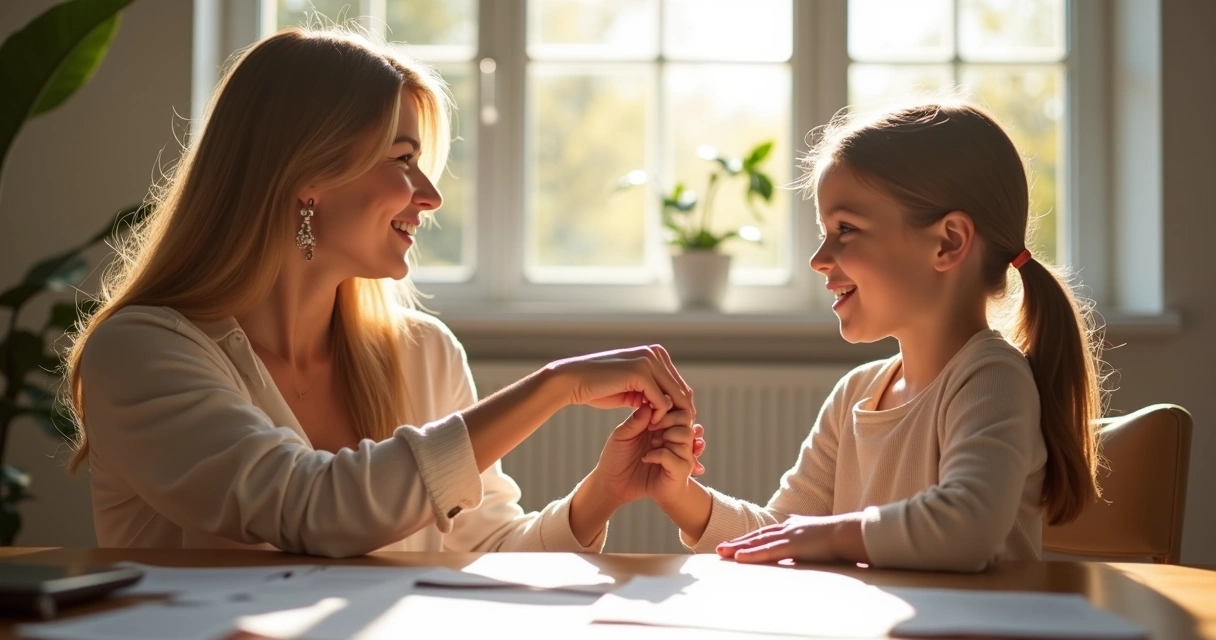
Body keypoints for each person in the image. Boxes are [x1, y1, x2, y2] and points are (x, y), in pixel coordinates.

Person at [62, 26, 704, 558]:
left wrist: (602, 495)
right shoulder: (141, 353)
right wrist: (554, 385)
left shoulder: (424, 352)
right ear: (308, 175)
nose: (430, 194)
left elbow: (486, 556)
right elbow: (311, 507)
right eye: (401, 160)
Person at [650, 101, 1105, 572]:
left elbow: (965, 529)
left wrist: (829, 535)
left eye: (846, 229)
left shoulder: (992, 377)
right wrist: (683, 496)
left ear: (948, 242)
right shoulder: (854, 394)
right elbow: (784, 532)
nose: (819, 258)